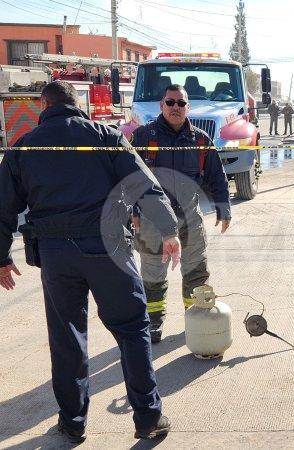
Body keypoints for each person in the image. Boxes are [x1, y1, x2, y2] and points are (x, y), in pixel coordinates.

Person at [0, 81, 180, 443]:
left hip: (55, 255)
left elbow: (2, 208)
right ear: (76, 103)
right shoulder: (105, 135)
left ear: (43, 106)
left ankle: (73, 422)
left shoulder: (23, 147)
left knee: (66, 338)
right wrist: (168, 229)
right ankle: (147, 417)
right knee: (131, 329)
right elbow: (143, 183)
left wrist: (2, 257)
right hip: (108, 248)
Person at [131, 84, 231, 343]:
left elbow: (216, 175)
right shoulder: (144, 136)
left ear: (188, 107)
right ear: (161, 105)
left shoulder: (200, 140)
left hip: (190, 217)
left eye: (181, 103)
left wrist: (223, 207)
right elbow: (128, 177)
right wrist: (131, 211)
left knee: (196, 269)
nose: (176, 107)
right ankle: (153, 322)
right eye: (171, 102)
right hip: (153, 220)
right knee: (153, 273)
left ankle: (195, 315)